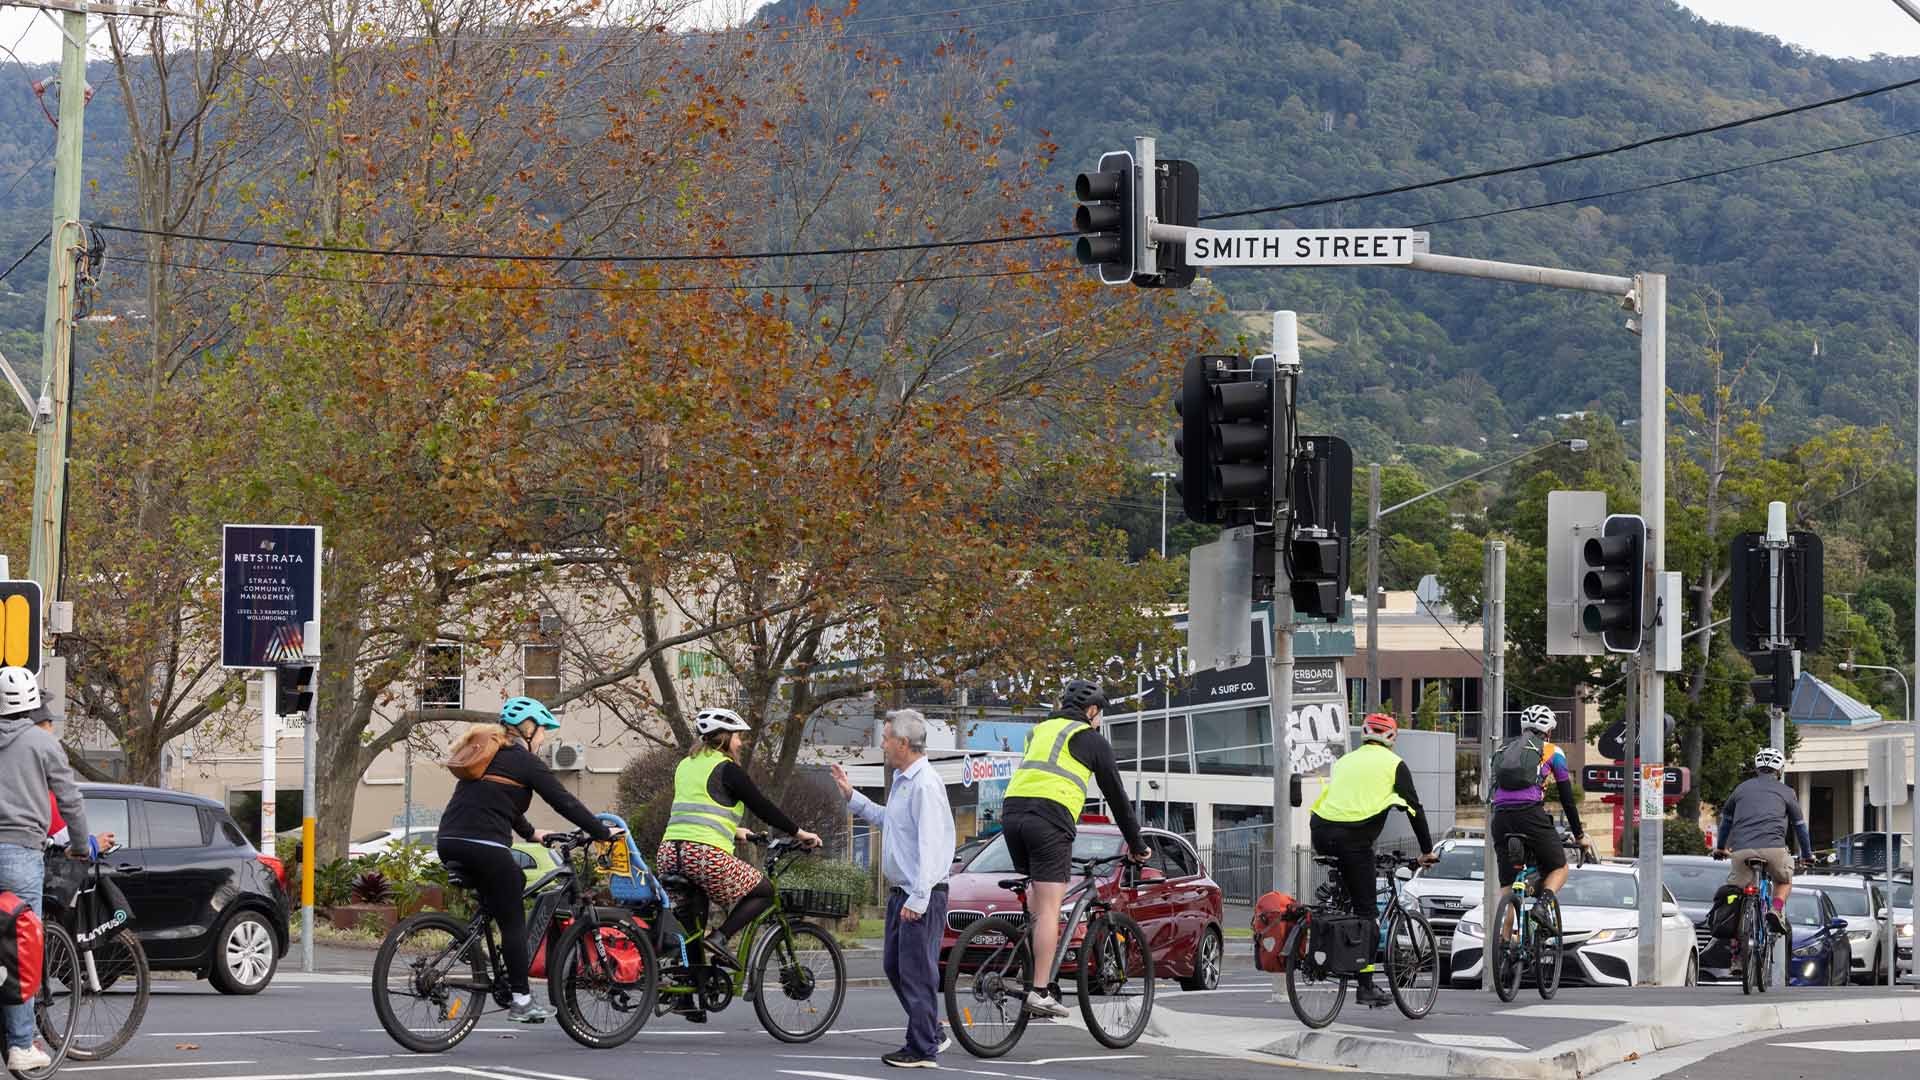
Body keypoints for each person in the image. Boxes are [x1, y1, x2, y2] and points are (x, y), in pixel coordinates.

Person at [436, 696, 616, 1024]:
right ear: (528, 728)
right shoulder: (523, 760)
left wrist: (532, 833)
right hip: (483, 845)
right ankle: (521, 999)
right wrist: (600, 831)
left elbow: (499, 801)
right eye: (543, 729)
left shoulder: (489, 756)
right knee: (514, 921)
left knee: (513, 882)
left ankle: (479, 945)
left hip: (449, 841)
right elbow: (564, 801)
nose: (545, 737)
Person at [657, 706, 821, 1022]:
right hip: (702, 855)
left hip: (670, 853)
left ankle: (689, 995)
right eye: (738, 737)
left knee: (692, 922)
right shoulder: (726, 768)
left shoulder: (686, 765)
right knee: (763, 890)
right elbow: (762, 805)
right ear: (724, 738)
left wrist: (736, 831)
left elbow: (698, 809)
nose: (741, 743)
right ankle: (720, 939)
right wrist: (799, 833)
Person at [999, 679, 1148, 1019]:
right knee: (1052, 906)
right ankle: (1039, 991)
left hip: (1012, 814)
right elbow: (1118, 800)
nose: (1099, 722)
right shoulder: (1091, 739)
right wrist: (1137, 845)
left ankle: (1031, 970)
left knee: (1038, 902)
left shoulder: (1040, 732)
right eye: (1099, 715)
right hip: (1049, 818)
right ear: (1092, 711)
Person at [831, 710, 954, 1069]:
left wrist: (919, 897)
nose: (881, 744)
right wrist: (853, 796)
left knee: (916, 972)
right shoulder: (904, 781)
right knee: (895, 967)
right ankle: (930, 1031)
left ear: (903, 742)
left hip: (921, 894)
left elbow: (933, 846)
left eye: (885, 738)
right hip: (904, 893)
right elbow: (890, 821)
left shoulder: (925, 785)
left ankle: (922, 1049)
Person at [1308, 713, 1437, 1007]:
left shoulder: (1344, 761)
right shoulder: (1394, 765)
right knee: (1368, 915)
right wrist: (1427, 850)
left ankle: (1325, 948)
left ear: (1364, 735)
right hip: (1353, 839)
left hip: (1320, 831)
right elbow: (1414, 809)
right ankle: (1365, 986)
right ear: (1392, 738)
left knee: (1346, 902)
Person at [0, 666, 88, 1072]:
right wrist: (81, 846)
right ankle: (21, 1044)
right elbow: (70, 799)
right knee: (23, 949)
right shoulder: (43, 742)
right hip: (20, 854)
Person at [1489, 705, 1593, 902]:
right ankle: (1543, 907)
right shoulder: (1553, 751)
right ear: (1549, 731)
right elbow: (1567, 798)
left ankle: (1504, 932)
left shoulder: (1502, 750)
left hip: (1500, 817)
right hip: (1530, 814)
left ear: (1523, 728)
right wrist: (1579, 835)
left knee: (1508, 887)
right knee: (1559, 867)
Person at [1712, 747, 1812, 935]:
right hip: (1774, 850)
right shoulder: (1787, 792)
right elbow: (1799, 826)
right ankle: (1775, 909)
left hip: (1741, 851)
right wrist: (1807, 855)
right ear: (1779, 770)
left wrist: (1720, 848)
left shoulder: (1740, 789)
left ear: (1756, 768)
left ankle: (1736, 958)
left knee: (1737, 898)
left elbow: (1726, 822)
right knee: (1783, 881)